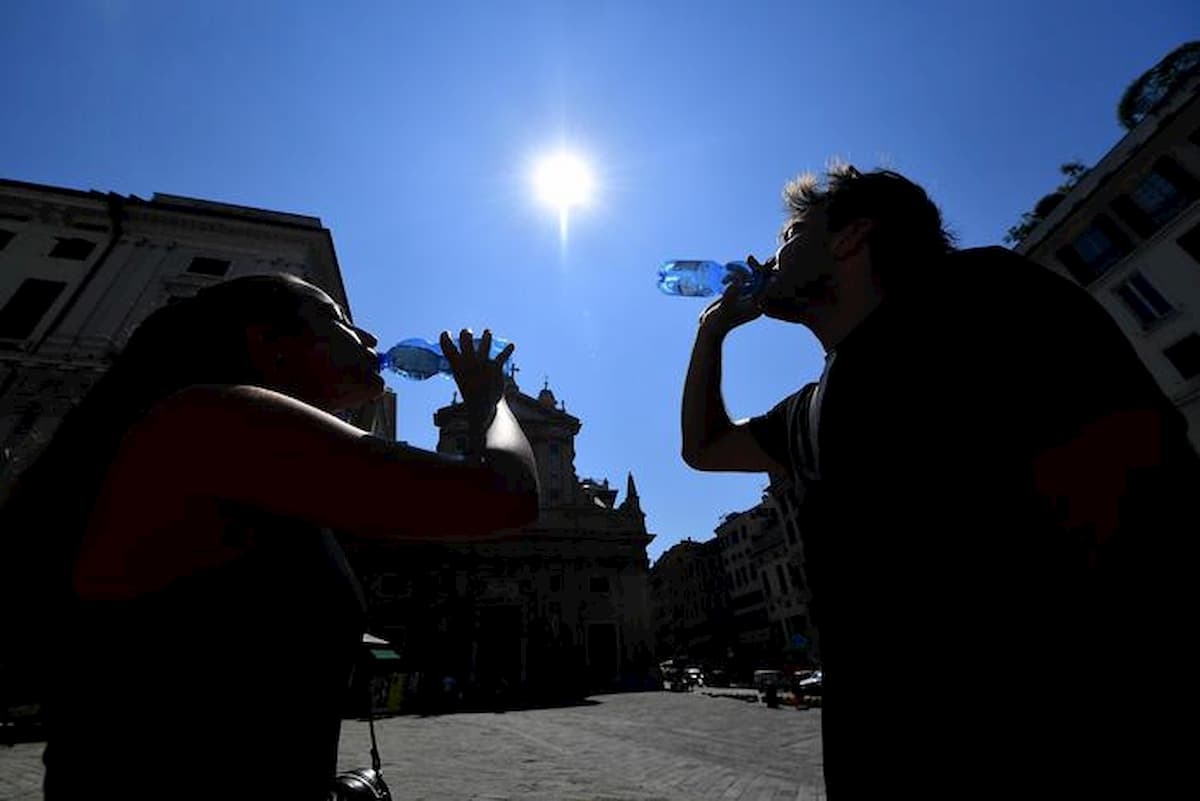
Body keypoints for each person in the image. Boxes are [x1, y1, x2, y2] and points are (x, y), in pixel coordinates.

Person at [680, 164, 1197, 798]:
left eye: (791, 235)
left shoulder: (982, 294)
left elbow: (1142, 482)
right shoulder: (809, 410)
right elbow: (703, 449)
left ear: (851, 236)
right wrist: (712, 329)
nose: (769, 255)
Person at [0, 273, 539, 800]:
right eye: (339, 320)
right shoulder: (210, 420)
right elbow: (505, 495)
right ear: (268, 344)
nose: (370, 338)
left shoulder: (236, 457)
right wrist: (492, 400)